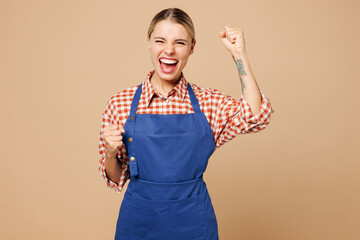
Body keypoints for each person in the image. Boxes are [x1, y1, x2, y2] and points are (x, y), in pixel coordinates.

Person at [98, 7, 274, 240]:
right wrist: (111, 153)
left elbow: (256, 116)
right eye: (160, 40)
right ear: (148, 43)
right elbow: (115, 177)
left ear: (192, 48)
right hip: (138, 224)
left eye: (179, 42)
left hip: (193, 223)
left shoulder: (207, 102)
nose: (169, 50)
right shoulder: (121, 103)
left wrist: (239, 55)